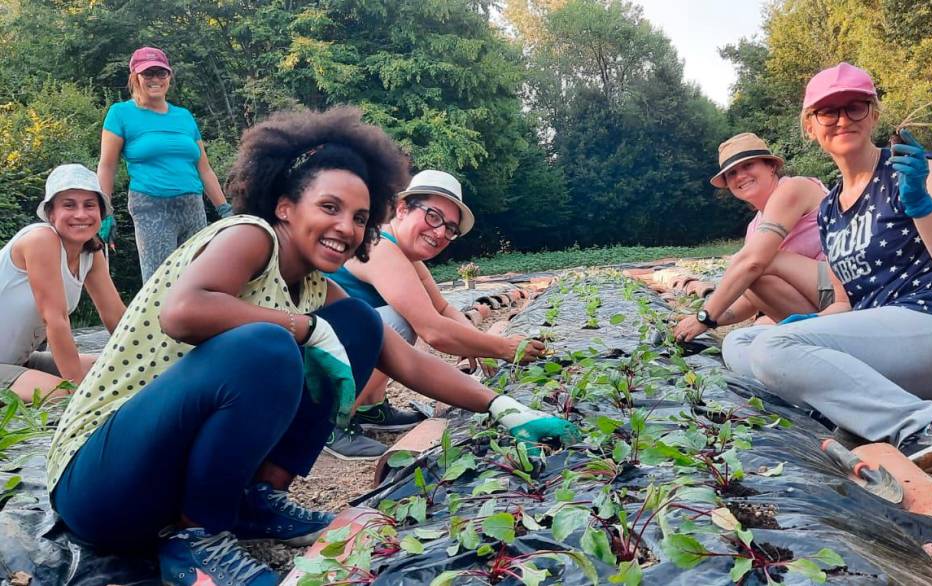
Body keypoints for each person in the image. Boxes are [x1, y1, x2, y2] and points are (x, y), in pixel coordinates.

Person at [47, 107, 578, 586]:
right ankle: (196, 542)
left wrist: (501, 406)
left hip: (160, 478)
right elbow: (183, 312)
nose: (345, 227)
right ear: (284, 206)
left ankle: (255, 499)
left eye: (360, 217)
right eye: (330, 206)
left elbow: (404, 356)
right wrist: (301, 328)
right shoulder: (248, 235)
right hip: (101, 483)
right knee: (267, 344)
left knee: (360, 325)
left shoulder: (318, 285)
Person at [722, 63, 932, 472]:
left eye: (855, 107)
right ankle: (838, 397)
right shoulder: (831, 208)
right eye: (828, 112)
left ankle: (930, 425)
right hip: (884, 340)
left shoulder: (919, 172)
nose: (842, 119)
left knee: (772, 347)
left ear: (874, 114)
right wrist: (803, 329)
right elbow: (847, 301)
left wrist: (921, 205)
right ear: (810, 126)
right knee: (738, 345)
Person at [322, 169, 546, 459]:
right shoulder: (378, 246)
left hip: (333, 350)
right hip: (311, 361)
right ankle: (328, 421)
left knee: (386, 322)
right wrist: (504, 348)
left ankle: (370, 407)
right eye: (433, 216)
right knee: (393, 322)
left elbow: (443, 308)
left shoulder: (404, 254)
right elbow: (433, 329)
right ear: (402, 209)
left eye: (450, 228)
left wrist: (478, 342)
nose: (440, 232)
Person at [673, 133, 830, 342]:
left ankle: (829, 332)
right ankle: (820, 339)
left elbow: (754, 263)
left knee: (761, 260)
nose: (740, 176)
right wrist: (705, 321)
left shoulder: (793, 188)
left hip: (844, 289)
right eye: (732, 173)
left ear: (771, 166)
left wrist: (704, 317)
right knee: (751, 328)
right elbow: (752, 299)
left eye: (748, 165)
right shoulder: (754, 228)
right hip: (818, 303)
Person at [97, 46, 233, 283]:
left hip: (192, 206)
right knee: (160, 283)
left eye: (161, 73)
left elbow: (204, 168)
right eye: (148, 73)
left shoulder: (184, 116)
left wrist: (225, 210)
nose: (155, 79)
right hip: (151, 206)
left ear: (169, 77)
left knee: (197, 281)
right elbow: (107, 166)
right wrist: (103, 211)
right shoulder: (120, 113)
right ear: (135, 77)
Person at [0, 164, 125, 401]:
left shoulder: (91, 253)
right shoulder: (40, 239)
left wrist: (149, 362)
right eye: (69, 205)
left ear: (101, 212)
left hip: (21, 363)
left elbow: (116, 316)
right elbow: (55, 319)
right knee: (72, 396)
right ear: (51, 214)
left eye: (89, 205)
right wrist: (79, 393)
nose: (80, 214)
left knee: (117, 373)